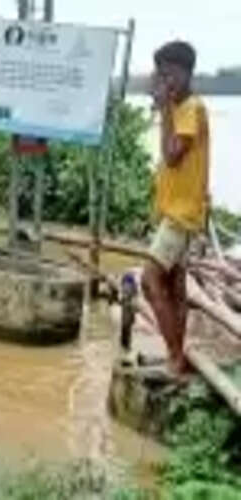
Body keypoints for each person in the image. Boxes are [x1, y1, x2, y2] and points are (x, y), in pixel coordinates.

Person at [141, 41, 210, 376]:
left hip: (181, 216)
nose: (164, 80)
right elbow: (167, 154)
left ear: (184, 73)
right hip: (176, 211)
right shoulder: (182, 107)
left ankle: (173, 355)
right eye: (160, 74)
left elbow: (171, 156)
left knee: (150, 280)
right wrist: (166, 108)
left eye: (168, 74)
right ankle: (178, 354)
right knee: (173, 287)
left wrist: (166, 107)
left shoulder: (191, 109)